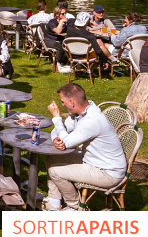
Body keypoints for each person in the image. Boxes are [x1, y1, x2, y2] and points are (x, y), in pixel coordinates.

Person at [44, 83, 127, 211]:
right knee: (51, 155)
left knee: (55, 172)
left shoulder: (92, 120)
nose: (62, 105)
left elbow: (66, 141)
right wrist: (56, 138)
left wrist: (56, 118)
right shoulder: (82, 112)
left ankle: (75, 207)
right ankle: (54, 203)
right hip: (91, 160)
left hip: (107, 172)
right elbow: (62, 130)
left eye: (63, 102)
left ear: (71, 102)